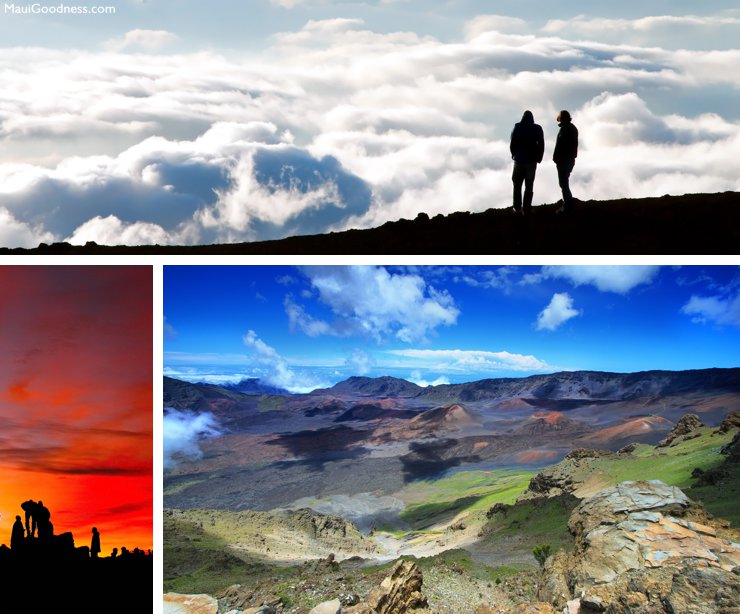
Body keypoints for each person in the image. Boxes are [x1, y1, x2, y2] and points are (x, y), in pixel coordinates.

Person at [509, 110, 545, 216]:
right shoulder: (537, 128)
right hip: (531, 161)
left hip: (519, 160)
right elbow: (541, 144)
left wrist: (514, 155)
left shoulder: (517, 127)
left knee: (517, 184)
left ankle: (517, 208)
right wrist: (539, 158)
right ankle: (527, 208)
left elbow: (512, 143)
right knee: (529, 185)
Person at [553, 109, 578, 212]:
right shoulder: (572, 128)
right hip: (569, 159)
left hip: (564, 160)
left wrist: (556, 158)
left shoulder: (565, 129)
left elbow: (561, 146)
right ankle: (568, 203)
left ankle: (568, 205)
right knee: (564, 182)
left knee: (563, 183)